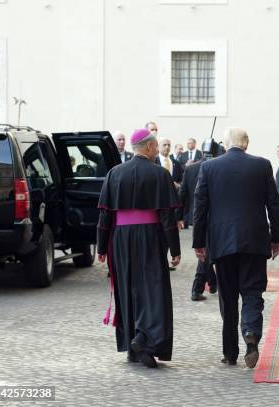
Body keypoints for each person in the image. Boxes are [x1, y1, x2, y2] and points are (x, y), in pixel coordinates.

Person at [193, 127, 279, 368]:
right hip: (255, 240)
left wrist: (199, 243)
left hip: (222, 242)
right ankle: (251, 332)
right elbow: (274, 204)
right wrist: (277, 237)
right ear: (247, 144)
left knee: (228, 297)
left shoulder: (209, 167)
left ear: (224, 144)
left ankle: (230, 353)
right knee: (253, 292)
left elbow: (200, 207)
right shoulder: (262, 165)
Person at [96, 128, 181, 369]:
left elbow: (104, 217)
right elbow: (167, 217)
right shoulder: (159, 174)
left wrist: (102, 247)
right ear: (149, 147)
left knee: (128, 288)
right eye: (155, 147)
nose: (156, 150)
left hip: (121, 239)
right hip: (150, 237)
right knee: (153, 291)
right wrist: (174, 249)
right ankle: (145, 340)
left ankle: (134, 346)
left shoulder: (114, 174)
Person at [178, 154, 218, 301]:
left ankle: (213, 282)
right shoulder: (216, 167)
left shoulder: (190, 169)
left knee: (205, 251)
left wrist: (179, 216)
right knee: (204, 254)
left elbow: (182, 194)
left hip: (198, 217)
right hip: (214, 217)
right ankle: (197, 288)